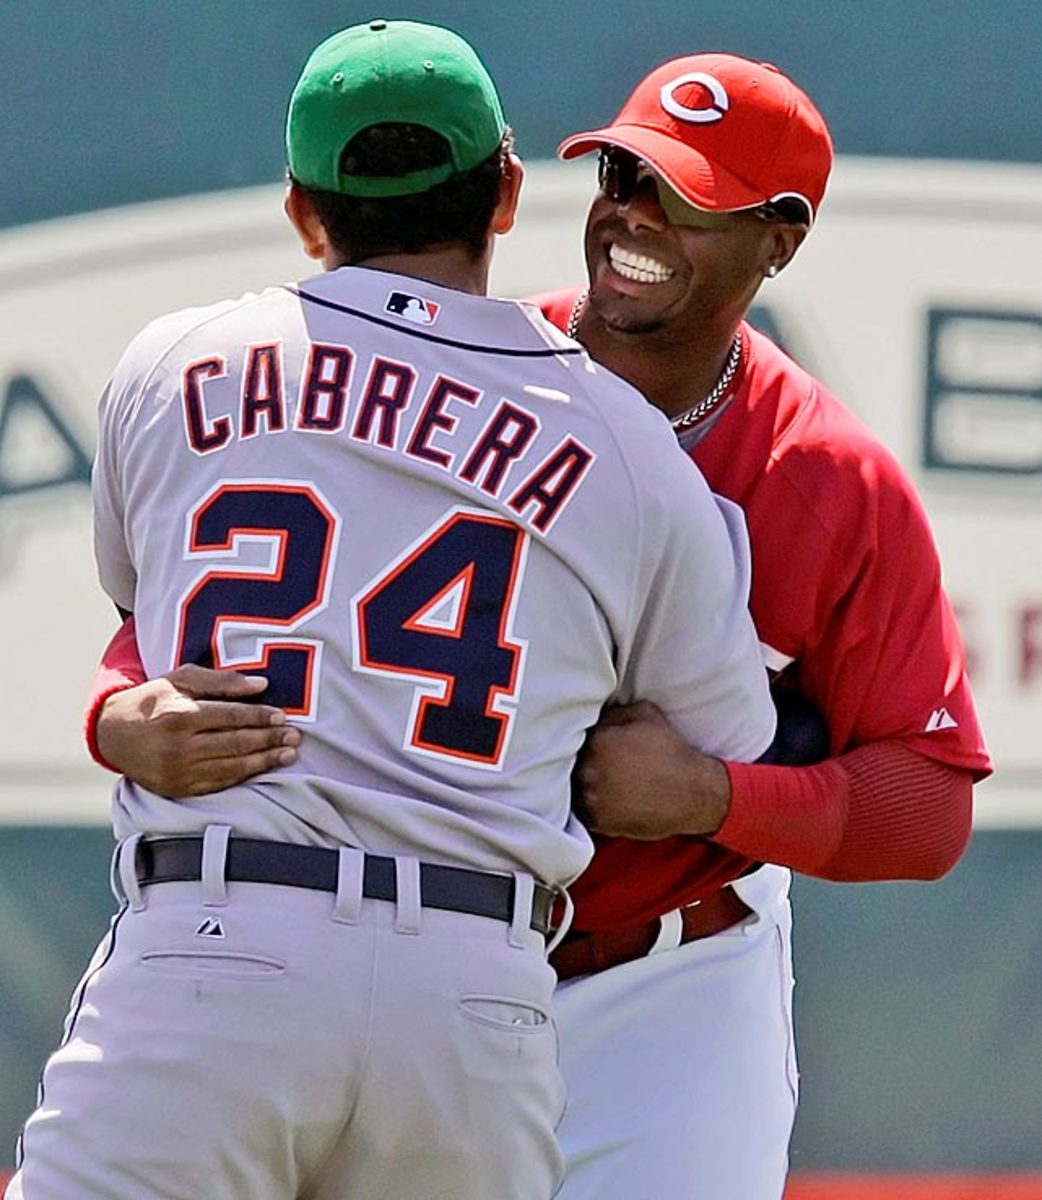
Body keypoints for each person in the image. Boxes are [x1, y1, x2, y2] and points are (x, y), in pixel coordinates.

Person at [80, 51, 992, 1200]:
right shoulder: (473, 364)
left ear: (780, 239)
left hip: (662, 980)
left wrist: (716, 799)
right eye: (623, 175)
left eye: (690, 196)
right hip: (423, 962)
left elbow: (928, 808)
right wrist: (115, 713)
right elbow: (208, 602)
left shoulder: (824, 479)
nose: (635, 215)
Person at [6, 27, 779, 1200]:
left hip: (218, 943)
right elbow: (728, 735)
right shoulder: (626, 444)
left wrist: (117, 715)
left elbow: (144, 620)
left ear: (300, 208)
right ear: (507, 191)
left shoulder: (174, 365)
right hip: (470, 996)